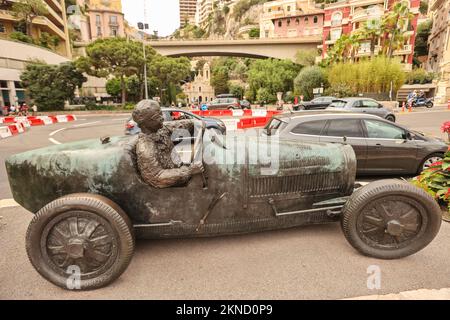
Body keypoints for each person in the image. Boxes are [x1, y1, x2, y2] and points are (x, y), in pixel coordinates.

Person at [133, 99, 204, 189]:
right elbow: (157, 178)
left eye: (160, 113)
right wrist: (189, 171)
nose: (162, 118)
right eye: (157, 116)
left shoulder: (161, 130)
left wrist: (196, 123)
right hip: (174, 189)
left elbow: (181, 125)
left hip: (182, 171)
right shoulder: (145, 149)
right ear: (145, 123)